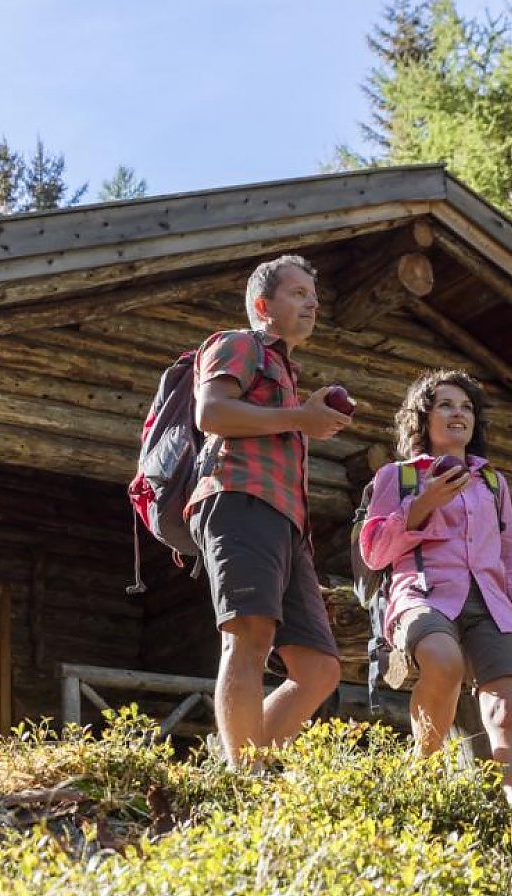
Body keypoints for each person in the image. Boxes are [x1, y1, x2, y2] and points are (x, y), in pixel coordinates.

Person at [187, 255, 351, 769]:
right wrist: (299, 417)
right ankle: (243, 778)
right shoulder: (239, 344)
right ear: (263, 305)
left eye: (313, 294)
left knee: (320, 668)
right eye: (298, 293)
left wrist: (302, 414)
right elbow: (210, 413)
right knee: (250, 636)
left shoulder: (285, 369)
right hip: (239, 498)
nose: (313, 302)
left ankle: (243, 766)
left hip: (286, 522)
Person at [359, 369, 512, 804]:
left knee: (507, 710)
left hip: (492, 607)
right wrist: (422, 505)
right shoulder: (397, 477)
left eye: (466, 407)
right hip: (422, 595)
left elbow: (510, 560)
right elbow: (375, 553)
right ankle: (424, 784)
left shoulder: (494, 484)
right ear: (423, 418)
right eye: (445, 405)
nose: (458, 414)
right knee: (444, 661)